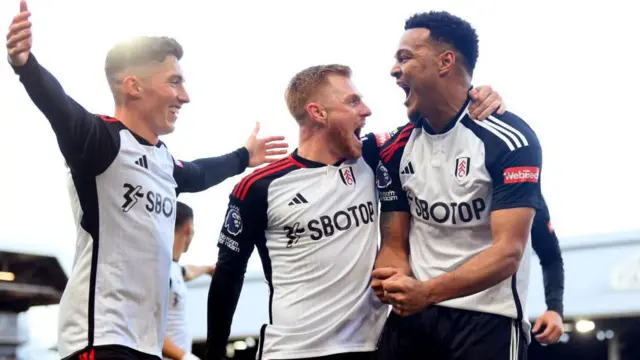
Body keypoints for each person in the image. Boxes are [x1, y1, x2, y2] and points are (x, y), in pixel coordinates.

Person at [6, 2, 287, 360]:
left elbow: (199, 174)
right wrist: (25, 65)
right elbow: (59, 105)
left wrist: (243, 158)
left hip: (145, 344)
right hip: (101, 339)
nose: (185, 96)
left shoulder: (164, 162)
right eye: (175, 82)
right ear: (133, 86)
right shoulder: (100, 141)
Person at [203, 63, 504, 360]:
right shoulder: (258, 187)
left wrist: (477, 98)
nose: (366, 110)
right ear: (317, 113)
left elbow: (441, 122)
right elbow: (228, 276)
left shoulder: (375, 157)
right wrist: (214, 354)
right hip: (292, 351)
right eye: (352, 101)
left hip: (371, 346)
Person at [372, 11, 544, 360]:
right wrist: (393, 275)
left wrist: (426, 292)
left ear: (445, 62)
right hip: (414, 318)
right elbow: (393, 242)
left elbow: (508, 253)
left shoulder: (510, 139)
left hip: (488, 321)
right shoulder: (392, 148)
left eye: (404, 57)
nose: (393, 70)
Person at [163, 202, 215, 360]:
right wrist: (186, 357)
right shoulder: (162, 272)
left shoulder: (174, 269)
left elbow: (188, 272)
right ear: (189, 229)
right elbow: (149, 328)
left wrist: (208, 269)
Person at [530, 197, 565, 345]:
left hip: (496, 316)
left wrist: (554, 307)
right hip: (450, 305)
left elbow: (551, 259)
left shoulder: (525, 189)